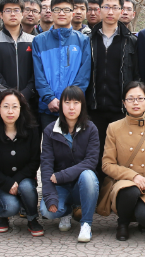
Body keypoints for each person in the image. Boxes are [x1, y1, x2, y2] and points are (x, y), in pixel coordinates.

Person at [97, 82, 145, 241]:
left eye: (140, 98)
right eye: (130, 99)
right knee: (130, 191)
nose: (136, 103)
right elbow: (107, 164)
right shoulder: (114, 128)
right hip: (123, 183)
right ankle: (123, 222)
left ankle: (137, 213)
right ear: (124, 102)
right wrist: (133, 176)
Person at [87, 0, 139, 177]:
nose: (110, 12)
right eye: (106, 7)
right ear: (99, 9)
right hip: (94, 109)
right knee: (95, 156)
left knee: (121, 156)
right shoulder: (88, 41)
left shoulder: (131, 42)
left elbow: (137, 75)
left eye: (115, 7)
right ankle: (96, 192)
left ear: (121, 10)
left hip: (121, 109)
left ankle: (117, 192)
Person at [40, 86, 100, 242]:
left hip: (80, 185)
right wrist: (50, 196)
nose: (71, 107)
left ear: (82, 105)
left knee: (89, 176)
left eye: (76, 103)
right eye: (67, 103)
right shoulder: (50, 130)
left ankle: (86, 223)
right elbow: (46, 165)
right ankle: (66, 212)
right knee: (47, 211)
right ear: (61, 105)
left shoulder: (91, 129)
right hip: (60, 187)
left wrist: (62, 175)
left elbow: (91, 161)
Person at [0, 90, 42, 236]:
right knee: (11, 207)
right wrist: (7, 183)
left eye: (15, 107)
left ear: (21, 109)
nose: (10, 111)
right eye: (6, 106)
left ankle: (32, 218)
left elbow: (35, 161)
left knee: (26, 187)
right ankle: (1, 215)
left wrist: (16, 181)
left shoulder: (31, 129)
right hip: (0, 183)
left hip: (24, 180)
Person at [32, 0, 91, 129]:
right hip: (48, 107)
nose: (61, 13)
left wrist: (71, 100)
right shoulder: (39, 41)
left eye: (66, 10)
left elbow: (84, 74)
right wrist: (49, 98)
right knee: (50, 141)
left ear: (72, 13)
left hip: (74, 107)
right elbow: (38, 74)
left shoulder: (83, 40)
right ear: (51, 12)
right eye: (57, 10)